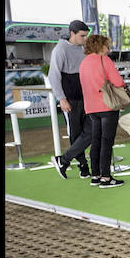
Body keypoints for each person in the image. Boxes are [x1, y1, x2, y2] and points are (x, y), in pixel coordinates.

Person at [73, 34, 126, 188]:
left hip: (91, 107)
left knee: (96, 141)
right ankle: (106, 178)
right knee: (106, 142)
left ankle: (95, 175)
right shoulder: (104, 60)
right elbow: (118, 82)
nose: (108, 49)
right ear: (100, 46)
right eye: (107, 46)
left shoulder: (83, 63)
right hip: (106, 105)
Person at [49, 20, 93, 178]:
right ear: (72, 33)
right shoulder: (60, 49)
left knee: (91, 130)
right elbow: (53, 75)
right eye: (82, 36)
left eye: (86, 36)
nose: (85, 39)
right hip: (71, 99)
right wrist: (62, 99)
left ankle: (65, 160)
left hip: (86, 98)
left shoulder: (83, 49)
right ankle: (83, 165)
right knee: (75, 132)